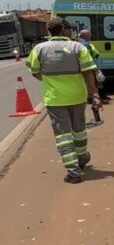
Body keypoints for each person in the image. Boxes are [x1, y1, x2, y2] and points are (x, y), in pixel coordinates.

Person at [27, 17, 102, 184]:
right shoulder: (77, 47)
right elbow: (88, 73)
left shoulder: (38, 49)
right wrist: (95, 94)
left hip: (54, 98)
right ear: (62, 30)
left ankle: (73, 172)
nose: (70, 30)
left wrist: (51, 82)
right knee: (79, 130)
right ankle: (81, 158)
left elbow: (35, 72)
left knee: (63, 136)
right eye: (68, 28)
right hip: (77, 96)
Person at [77, 29, 111, 103]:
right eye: (89, 35)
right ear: (85, 36)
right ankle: (94, 99)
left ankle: (89, 98)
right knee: (93, 83)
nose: (90, 36)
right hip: (89, 66)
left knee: (86, 83)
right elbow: (96, 54)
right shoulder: (87, 45)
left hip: (80, 67)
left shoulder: (77, 43)